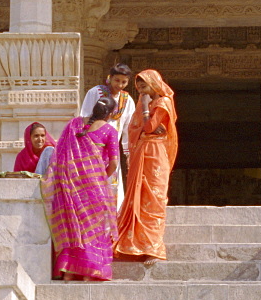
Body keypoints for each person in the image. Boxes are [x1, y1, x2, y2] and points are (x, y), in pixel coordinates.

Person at [41, 96, 119, 282]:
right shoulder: (109, 130)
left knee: (74, 228)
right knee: (94, 231)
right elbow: (114, 163)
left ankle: (68, 272)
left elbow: (59, 156)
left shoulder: (74, 124)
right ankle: (89, 273)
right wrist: (100, 177)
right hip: (94, 188)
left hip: (71, 187)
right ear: (111, 114)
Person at [114, 70, 177, 262]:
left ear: (154, 84)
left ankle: (153, 247)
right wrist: (145, 118)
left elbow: (149, 128)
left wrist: (144, 108)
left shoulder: (163, 102)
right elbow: (135, 128)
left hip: (156, 153)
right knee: (140, 198)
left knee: (154, 198)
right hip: (142, 151)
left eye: (144, 87)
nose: (141, 91)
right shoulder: (148, 104)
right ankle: (134, 245)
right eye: (139, 88)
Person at [81, 64, 135, 209]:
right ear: (110, 78)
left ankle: (111, 224)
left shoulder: (127, 100)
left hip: (112, 149)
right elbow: (85, 117)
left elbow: (128, 128)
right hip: (92, 148)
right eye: (117, 80)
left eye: (124, 82)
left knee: (112, 186)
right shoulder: (95, 92)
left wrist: (128, 152)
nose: (120, 85)